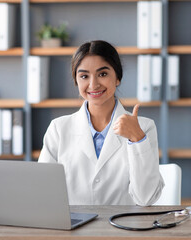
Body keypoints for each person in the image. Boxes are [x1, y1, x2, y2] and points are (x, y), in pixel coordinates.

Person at [38, 40, 164, 206]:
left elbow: (146, 198)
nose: (93, 84)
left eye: (102, 74)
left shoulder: (144, 127)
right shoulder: (59, 128)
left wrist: (137, 139)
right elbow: (42, 191)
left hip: (123, 226)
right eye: (84, 76)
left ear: (117, 77)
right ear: (76, 81)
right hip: (72, 227)